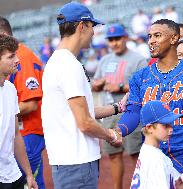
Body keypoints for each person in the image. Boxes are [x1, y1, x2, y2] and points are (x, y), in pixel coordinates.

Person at [113, 19, 183, 173]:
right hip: (153, 153)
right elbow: (133, 112)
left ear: (174, 38)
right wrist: (119, 130)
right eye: (149, 36)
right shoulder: (140, 77)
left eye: (157, 35)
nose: (151, 41)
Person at [41, 2, 123, 188]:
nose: (94, 32)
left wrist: (117, 107)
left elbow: (81, 112)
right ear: (82, 26)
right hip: (77, 162)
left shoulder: (56, 61)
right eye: (92, 26)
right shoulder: (69, 65)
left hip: (68, 161)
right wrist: (110, 135)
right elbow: (85, 122)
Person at [92, 23, 147, 189]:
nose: (114, 43)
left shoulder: (138, 59)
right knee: (114, 155)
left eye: (117, 38)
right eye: (111, 40)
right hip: (108, 112)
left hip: (131, 113)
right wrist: (98, 84)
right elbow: (95, 83)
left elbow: (145, 85)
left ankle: (141, 185)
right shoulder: (104, 60)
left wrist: (121, 87)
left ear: (125, 38)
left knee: (135, 155)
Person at [0, 16, 48, 189]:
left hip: (29, 132)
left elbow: (30, 104)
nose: (16, 60)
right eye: (11, 56)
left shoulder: (24, 59)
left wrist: (28, 173)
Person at [130, 100, 183, 189]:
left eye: (171, 124)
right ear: (150, 128)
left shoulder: (146, 151)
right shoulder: (156, 160)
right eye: (165, 125)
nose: (171, 129)